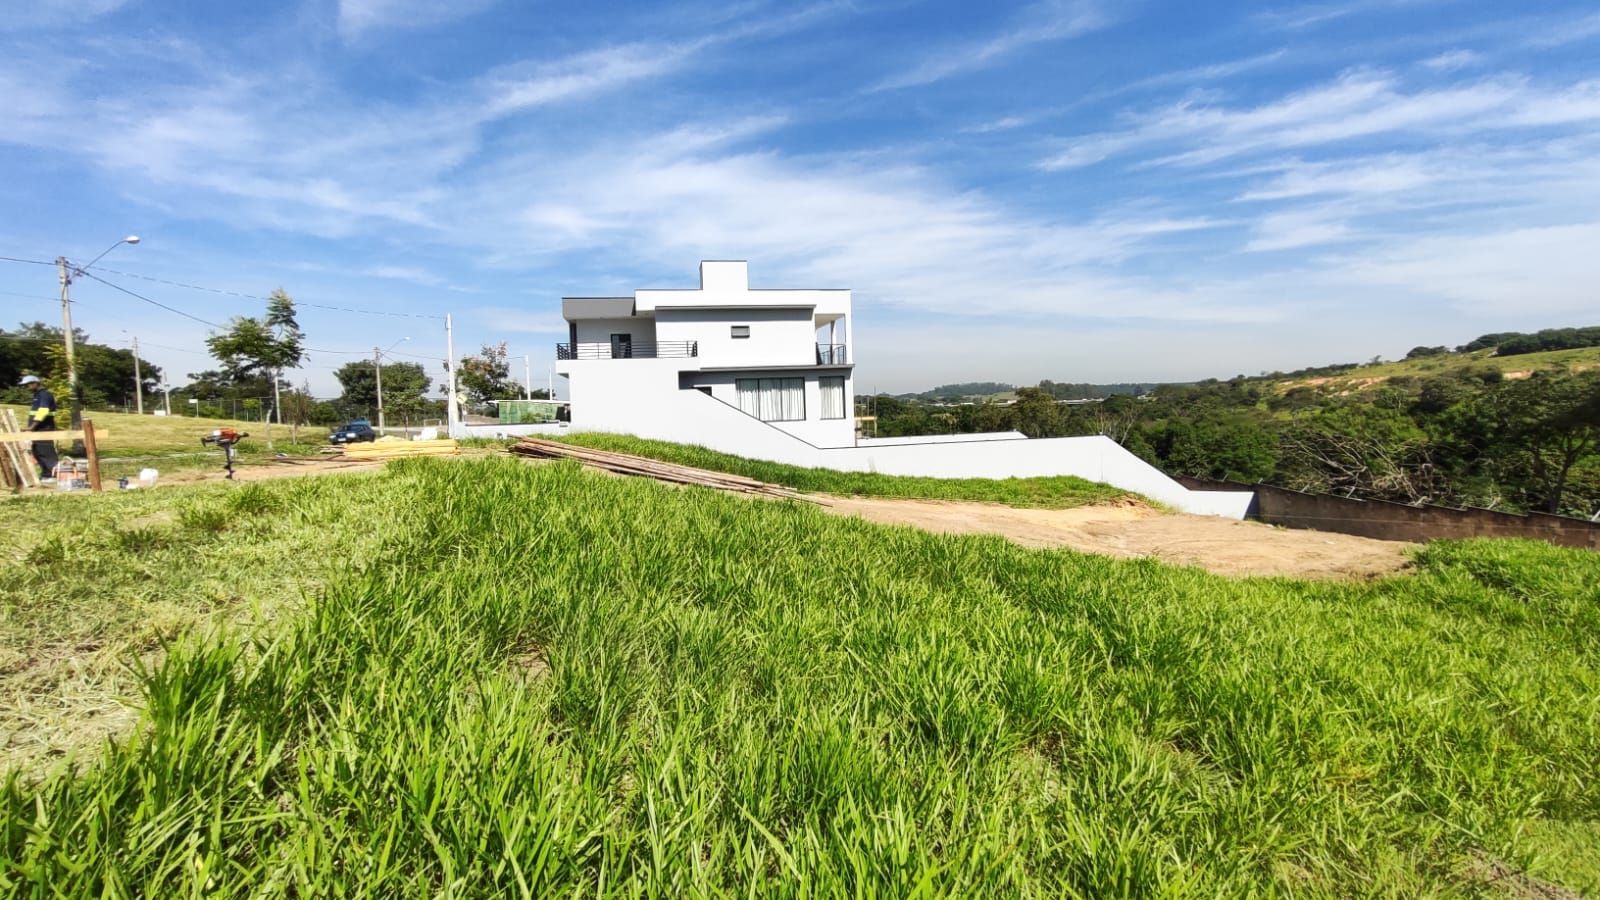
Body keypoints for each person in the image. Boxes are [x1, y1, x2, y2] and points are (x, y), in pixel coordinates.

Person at [19, 375, 59, 483]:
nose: (26, 387)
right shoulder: (37, 395)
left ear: (35, 383)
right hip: (38, 429)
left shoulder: (44, 395)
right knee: (38, 451)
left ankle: (54, 475)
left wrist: (31, 427)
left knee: (46, 452)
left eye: (27, 385)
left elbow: (43, 411)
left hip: (44, 428)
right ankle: (46, 474)